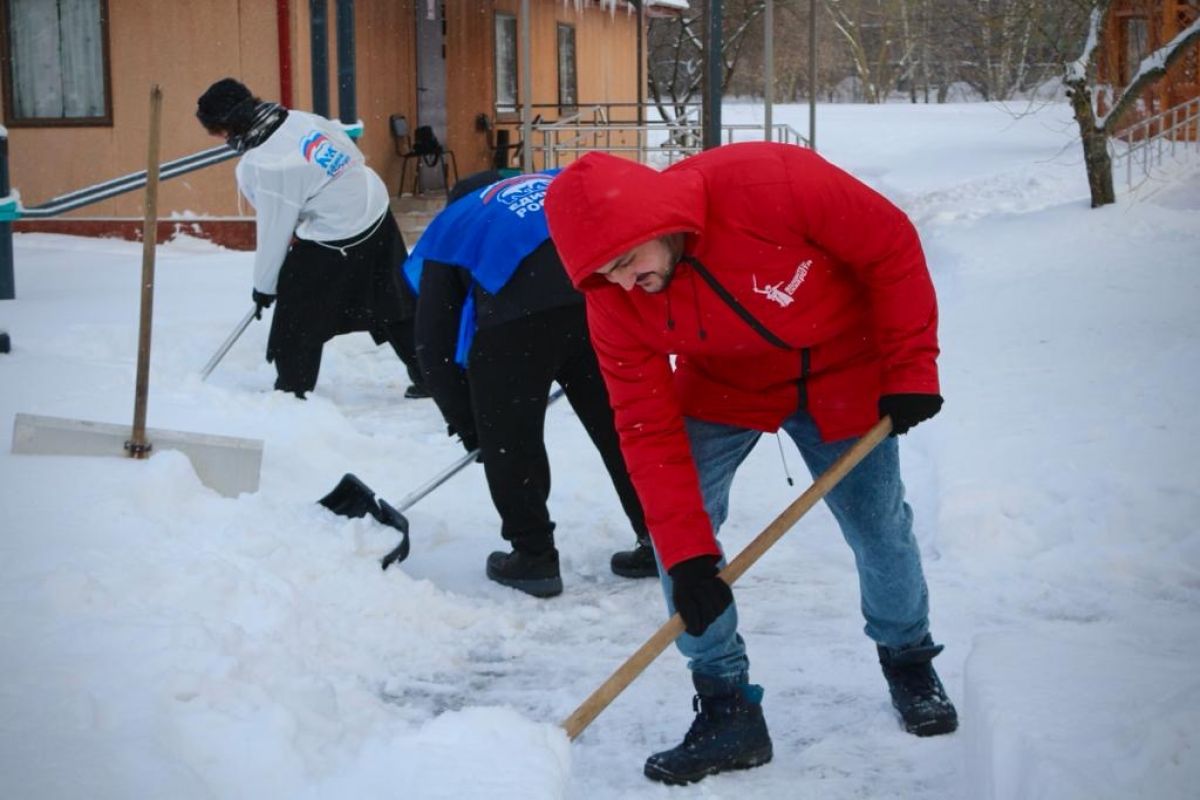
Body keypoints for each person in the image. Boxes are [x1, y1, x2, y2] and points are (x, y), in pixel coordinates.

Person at [544, 144, 957, 784]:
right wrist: (687, 555)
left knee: (879, 525)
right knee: (678, 539)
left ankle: (908, 659)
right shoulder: (613, 297)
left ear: (658, 223)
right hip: (725, 385)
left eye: (626, 261)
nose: (623, 284)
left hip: (844, 367)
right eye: (603, 273)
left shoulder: (771, 183)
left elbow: (890, 247)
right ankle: (726, 703)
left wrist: (910, 370)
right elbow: (646, 427)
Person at [406, 169, 657, 598]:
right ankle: (663, 540)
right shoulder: (555, 184)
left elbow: (433, 346)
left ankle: (534, 558)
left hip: (512, 327)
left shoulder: (456, 224)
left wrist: (473, 428)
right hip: (596, 302)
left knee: (512, 439)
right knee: (621, 428)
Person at [195, 77, 427, 399]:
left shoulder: (266, 163)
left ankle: (292, 390)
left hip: (341, 229)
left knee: (297, 310)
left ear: (227, 126)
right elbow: (349, 153)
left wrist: (265, 286)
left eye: (215, 132)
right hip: (373, 204)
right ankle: (431, 374)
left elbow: (275, 231)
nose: (218, 140)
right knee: (392, 296)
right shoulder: (296, 118)